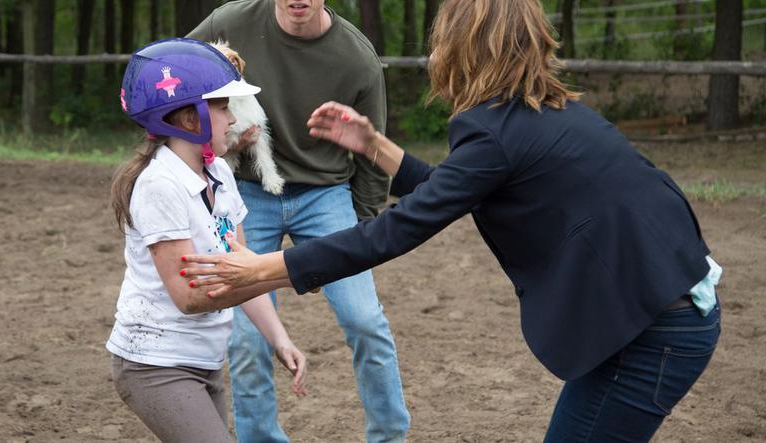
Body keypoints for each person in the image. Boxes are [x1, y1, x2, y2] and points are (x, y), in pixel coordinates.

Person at [180, 0, 723, 441]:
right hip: (657, 302)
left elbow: (395, 231)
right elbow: (455, 189)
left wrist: (260, 271)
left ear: (465, 46)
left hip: (655, 325)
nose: (436, 46)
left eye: (444, 34)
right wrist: (373, 145)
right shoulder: (541, 112)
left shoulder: (496, 132)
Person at [188, 2, 411, 441]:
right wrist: (215, 139)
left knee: (365, 320)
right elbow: (172, 78)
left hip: (325, 194)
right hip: (248, 189)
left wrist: (361, 234)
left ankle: (389, 436)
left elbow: (372, 154)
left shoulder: (357, 57)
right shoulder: (228, 22)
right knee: (247, 337)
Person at [106, 38, 307, 443]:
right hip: (156, 364)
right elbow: (190, 298)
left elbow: (243, 267)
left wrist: (279, 338)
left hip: (204, 359)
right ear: (188, 117)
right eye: (221, 107)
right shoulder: (160, 185)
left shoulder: (220, 175)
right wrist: (291, 272)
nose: (233, 119)